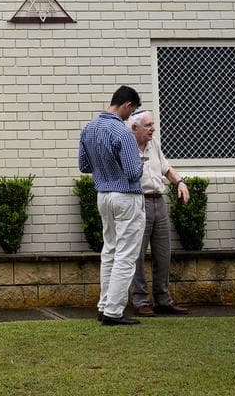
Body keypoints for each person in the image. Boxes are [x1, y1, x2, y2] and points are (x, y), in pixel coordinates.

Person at [78, 85, 145, 326]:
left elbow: (84, 167)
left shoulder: (89, 129)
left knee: (110, 252)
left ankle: (104, 305)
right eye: (133, 110)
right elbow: (132, 172)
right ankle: (113, 312)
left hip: (103, 195)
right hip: (125, 196)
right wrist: (142, 163)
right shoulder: (122, 132)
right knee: (126, 255)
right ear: (127, 105)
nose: (131, 115)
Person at [127, 110, 190, 316]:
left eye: (152, 124)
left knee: (163, 254)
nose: (153, 128)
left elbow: (166, 168)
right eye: (148, 125)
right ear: (135, 128)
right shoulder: (127, 147)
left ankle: (163, 300)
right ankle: (140, 301)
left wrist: (180, 182)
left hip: (159, 202)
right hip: (139, 202)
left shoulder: (154, 145)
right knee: (137, 256)